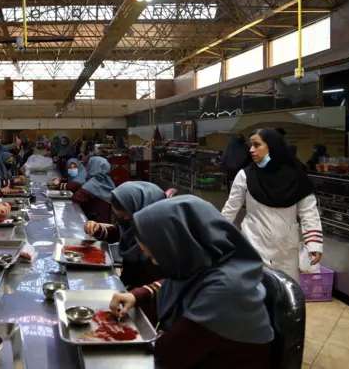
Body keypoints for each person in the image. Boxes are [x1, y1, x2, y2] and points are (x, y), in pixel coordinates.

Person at [110, 196, 274, 369]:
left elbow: (169, 354)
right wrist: (137, 295)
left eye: (153, 255)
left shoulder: (226, 290)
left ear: (177, 245)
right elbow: (174, 285)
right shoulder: (208, 262)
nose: (154, 262)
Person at [222, 128, 322, 281]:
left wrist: (314, 244)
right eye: (251, 145)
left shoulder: (297, 178)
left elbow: (308, 212)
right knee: (256, 295)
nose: (251, 150)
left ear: (272, 146)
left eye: (256, 145)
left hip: (286, 249)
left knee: (286, 296)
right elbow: (230, 210)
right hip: (253, 244)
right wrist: (216, 237)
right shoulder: (245, 176)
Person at [84, 181, 165, 288]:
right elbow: (120, 232)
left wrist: (140, 294)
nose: (126, 219)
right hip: (130, 284)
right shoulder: (134, 220)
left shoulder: (162, 236)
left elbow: (169, 283)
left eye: (127, 215)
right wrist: (97, 229)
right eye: (121, 216)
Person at [70, 156, 116, 223]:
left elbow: (77, 197)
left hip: (96, 224)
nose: (87, 168)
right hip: (108, 223)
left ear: (93, 166)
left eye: (89, 165)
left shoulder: (92, 184)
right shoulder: (109, 181)